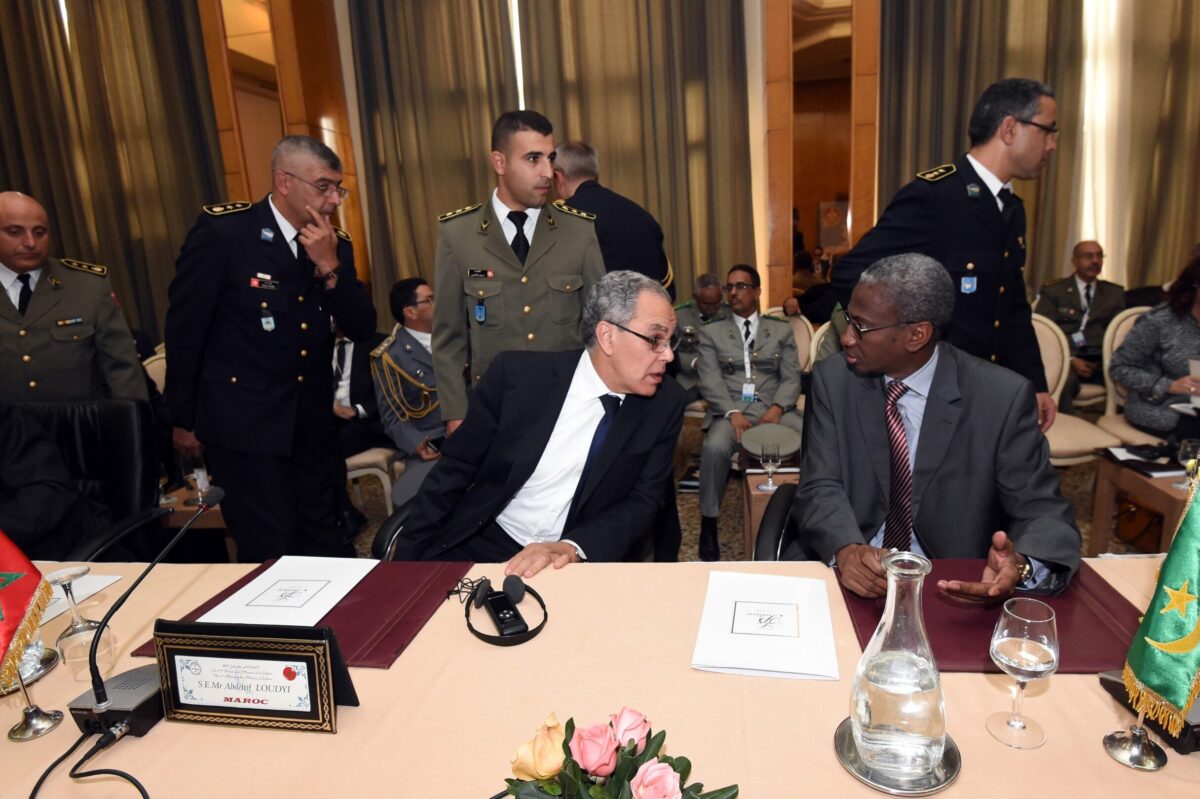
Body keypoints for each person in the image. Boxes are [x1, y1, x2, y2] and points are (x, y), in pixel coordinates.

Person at [790, 253, 1080, 600]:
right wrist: (845, 549)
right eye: (848, 320)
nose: (847, 338)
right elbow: (819, 484)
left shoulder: (999, 398)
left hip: (950, 582)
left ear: (917, 335)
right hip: (849, 570)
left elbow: (1044, 510)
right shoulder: (835, 379)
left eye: (861, 327)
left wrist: (1021, 566)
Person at [164, 135, 377, 562]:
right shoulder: (226, 233)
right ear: (284, 181)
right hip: (245, 426)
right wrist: (182, 417)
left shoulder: (336, 244)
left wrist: (330, 267)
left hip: (312, 426)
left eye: (339, 187)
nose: (334, 198)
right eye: (324, 186)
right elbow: (186, 328)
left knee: (326, 542)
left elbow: (363, 326)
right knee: (270, 547)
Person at [393, 271, 685, 577]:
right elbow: (453, 473)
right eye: (655, 339)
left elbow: (644, 500)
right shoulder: (518, 379)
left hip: (573, 560)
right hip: (483, 540)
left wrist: (572, 547)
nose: (668, 355)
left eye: (670, 341)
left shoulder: (665, 403)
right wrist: (403, 570)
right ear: (607, 336)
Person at [830, 78, 1060, 433]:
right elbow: (852, 274)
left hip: (988, 390)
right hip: (934, 393)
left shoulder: (1011, 209)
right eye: (1048, 130)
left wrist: (1036, 381)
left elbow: (1012, 306)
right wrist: (904, 348)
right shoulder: (936, 197)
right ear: (1010, 128)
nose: (1052, 145)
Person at [433, 111, 606, 432]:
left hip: (568, 411)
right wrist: (456, 414)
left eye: (550, 158)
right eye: (532, 159)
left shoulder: (578, 231)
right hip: (495, 412)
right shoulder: (458, 235)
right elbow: (449, 338)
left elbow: (600, 327)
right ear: (499, 163)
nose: (547, 172)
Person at [696, 264, 803, 561]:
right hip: (730, 410)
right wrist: (731, 411)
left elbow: (792, 376)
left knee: (812, 435)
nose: (733, 292)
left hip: (775, 407)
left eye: (741, 286)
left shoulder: (780, 330)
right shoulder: (712, 332)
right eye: (730, 287)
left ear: (757, 292)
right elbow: (709, 379)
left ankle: (808, 516)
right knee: (714, 447)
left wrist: (778, 407)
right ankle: (708, 523)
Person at [0, 191, 146, 403]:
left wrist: (132, 429)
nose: (31, 242)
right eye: (15, 232)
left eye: (40, 232)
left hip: (80, 429)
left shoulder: (87, 286)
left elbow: (123, 371)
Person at [552, 140, 673, 297]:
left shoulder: (562, 217)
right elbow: (666, 285)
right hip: (646, 314)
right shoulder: (641, 215)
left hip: (594, 317)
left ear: (558, 176)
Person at [371, 277, 445, 512]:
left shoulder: (456, 337)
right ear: (410, 312)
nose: (438, 303)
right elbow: (392, 417)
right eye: (430, 300)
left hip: (470, 431)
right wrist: (417, 445)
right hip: (432, 443)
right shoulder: (390, 357)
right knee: (412, 499)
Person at [1109, 252, 1200, 441]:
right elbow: (1119, 367)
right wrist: (1169, 385)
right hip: (1158, 407)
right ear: (1195, 283)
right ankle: (1195, 471)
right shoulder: (1159, 321)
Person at [1034, 241, 1125, 412]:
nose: (1095, 261)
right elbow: (1044, 334)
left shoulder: (1115, 293)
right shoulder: (1054, 291)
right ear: (1074, 261)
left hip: (1102, 360)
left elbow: (1118, 336)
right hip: (1067, 358)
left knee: (1130, 378)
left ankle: (1114, 428)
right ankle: (1066, 428)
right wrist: (1071, 359)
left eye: (1099, 256)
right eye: (1088, 256)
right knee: (1064, 382)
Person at [332, 323, 390, 458]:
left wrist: (357, 410)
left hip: (367, 420)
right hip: (332, 419)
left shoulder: (379, 344)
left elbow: (391, 392)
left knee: (326, 447)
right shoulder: (319, 347)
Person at [673, 273, 730, 406]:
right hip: (692, 380)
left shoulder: (730, 313)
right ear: (695, 297)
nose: (712, 308)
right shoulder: (679, 316)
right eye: (706, 303)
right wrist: (694, 362)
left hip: (725, 379)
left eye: (716, 302)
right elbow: (671, 352)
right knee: (673, 405)